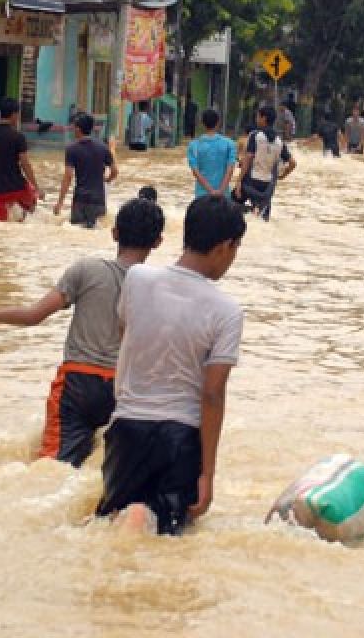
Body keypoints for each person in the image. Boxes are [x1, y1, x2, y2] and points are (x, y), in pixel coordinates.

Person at [0, 193, 165, 467]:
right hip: (126, 389)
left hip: (78, 384)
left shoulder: (87, 270)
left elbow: (34, 315)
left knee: (53, 468)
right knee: (111, 468)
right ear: (158, 242)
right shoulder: (158, 288)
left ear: (114, 233)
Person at [94, 195, 246, 535]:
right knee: (170, 538)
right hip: (180, 438)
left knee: (114, 524)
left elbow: (125, 333)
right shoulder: (226, 311)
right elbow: (212, 394)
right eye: (236, 250)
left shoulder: (137, 279)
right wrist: (207, 474)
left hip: (126, 431)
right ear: (223, 247)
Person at [0, 98, 42, 222]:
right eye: (18, 114)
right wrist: (36, 187)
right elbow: (25, 164)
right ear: (14, 114)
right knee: (27, 216)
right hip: (19, 188)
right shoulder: (18, 137)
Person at [53, 113, 117, 228]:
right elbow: (115, 171)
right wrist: (106, 180)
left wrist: (60, 203)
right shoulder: (103, 147)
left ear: (78, 129)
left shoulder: (72, 149)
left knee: (76, 233)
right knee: (96, 232)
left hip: (80, 200)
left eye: (74, 127)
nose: (73, 130)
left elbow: (68, 177)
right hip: (98, 201)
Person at [234, 105, 297, 221]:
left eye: (258, 116)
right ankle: (255, 211)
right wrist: (282, 175)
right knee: (263, 219)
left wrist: (238, 181)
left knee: (231, 206)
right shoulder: (279, 141)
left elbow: (248, 158)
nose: (256, 119)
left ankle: (250, 212)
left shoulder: (255, 135)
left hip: (250, 181)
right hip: (267, 186)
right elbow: (292, 163)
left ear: (264, 118)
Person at [187, 109, 239, 199]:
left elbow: (195, 172)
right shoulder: (229, 144)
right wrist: (221, 190)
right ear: (218, 122)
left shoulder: (193, 145)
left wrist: (210, 190)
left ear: (202, 123)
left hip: (202, 195)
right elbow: (230, 170)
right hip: (224, 195)